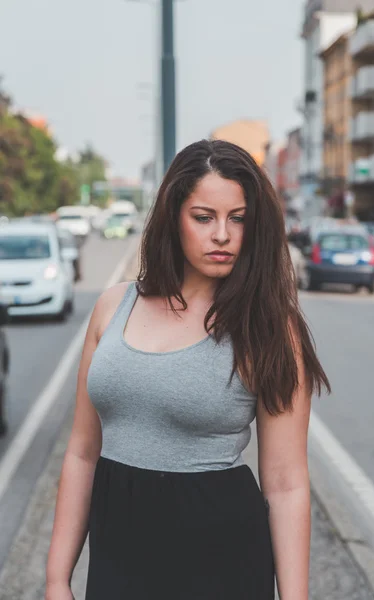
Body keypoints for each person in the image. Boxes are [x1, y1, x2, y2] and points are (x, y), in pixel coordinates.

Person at [45, 139, 331, 600]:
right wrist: (57, 578)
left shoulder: (268, 327)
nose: (222, 234)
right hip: (118, 558)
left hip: (222, 563)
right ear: (173, 215)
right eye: (204, 217)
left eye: (238, 219)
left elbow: (285, 483)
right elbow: (81, 452)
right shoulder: (112, 307)